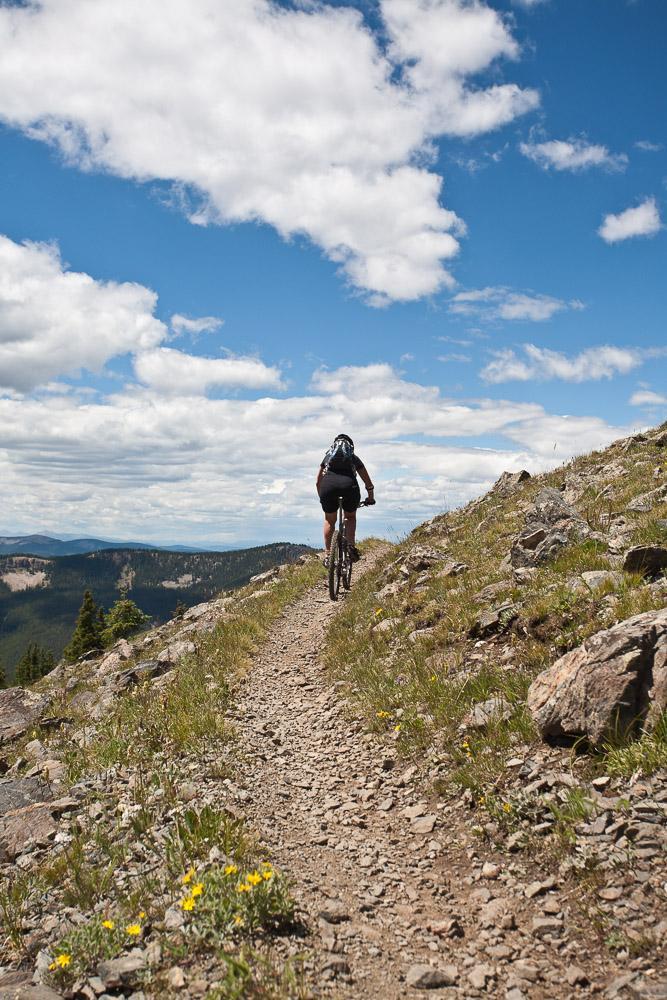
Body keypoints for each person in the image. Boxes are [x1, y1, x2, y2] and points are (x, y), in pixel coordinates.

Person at [316, 434, 375, 565]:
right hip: (349, 487)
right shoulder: (353, 457)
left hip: (328, 487)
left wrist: (323, 497)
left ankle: (328, 555)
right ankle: (351, 547)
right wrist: (370, 497)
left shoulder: (328, 457)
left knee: (329, 520)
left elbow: (318, 481)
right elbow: (367, 481)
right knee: (350, 516)